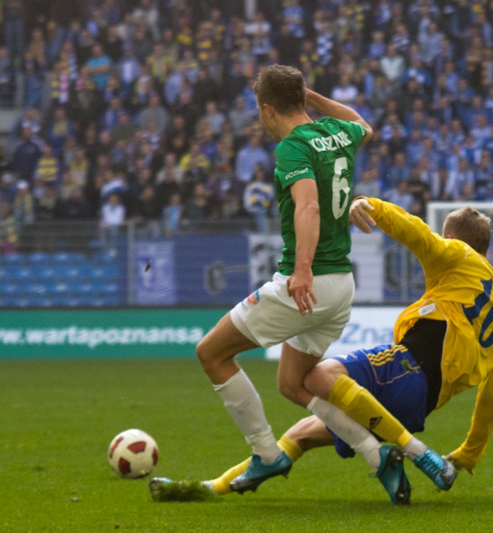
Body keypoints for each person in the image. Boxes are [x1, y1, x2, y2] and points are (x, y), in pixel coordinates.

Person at [152, 202, 493, 504]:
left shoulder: (460, 255)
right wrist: (468, 454)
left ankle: (420, 453)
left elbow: (419, 235)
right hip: (417, 406)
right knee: (301, 435)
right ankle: (211, 488)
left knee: (319, 377)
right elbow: (490, 397)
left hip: (406, 369)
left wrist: (373, 207)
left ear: (453, 239)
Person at [151, 64, 383, 500]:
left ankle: (265, 452)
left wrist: (302, 268)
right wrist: (311, 97)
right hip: (342, 285)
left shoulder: (292, 147)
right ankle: (376, 453)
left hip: (309, 282)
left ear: (268, 109)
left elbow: (308, 207)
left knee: (211, 353)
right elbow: (362, 124)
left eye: (260, 111)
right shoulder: (336, 132)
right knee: (292, 383)